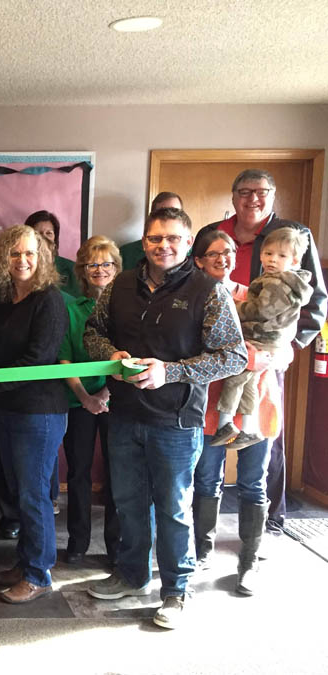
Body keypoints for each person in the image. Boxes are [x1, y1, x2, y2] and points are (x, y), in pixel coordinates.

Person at [83, 207, 247, 630]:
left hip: (176, 420)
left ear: (188, 243)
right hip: (123, 414)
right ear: (145, 241)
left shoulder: (208, 290)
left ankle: (176, 590)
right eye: (156, 238)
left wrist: (169, 371)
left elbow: (233, 356)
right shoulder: (120, 284)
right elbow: (92, 332)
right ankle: (133, 575)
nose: (163, 246)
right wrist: (111, 356)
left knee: (173, 508)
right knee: (129, 502)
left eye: (173, 238)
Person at [196, 169, 327, 534]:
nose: (253, 198)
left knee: (264, 445)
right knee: (210, 453)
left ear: (273, 194)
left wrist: (290, 347)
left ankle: (268, 525)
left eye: (261, 191)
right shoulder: (215, 233)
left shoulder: (294, 236)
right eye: (244, 191)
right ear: (233, 195)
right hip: (221, 359)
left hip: (269, 359)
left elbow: (316, 299)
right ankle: (203, 539)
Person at [0, 224, 68, 605]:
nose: (22, 260)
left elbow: (36, 361)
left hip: (38, 414)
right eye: (15, 253)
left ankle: (39, 574)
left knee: (35, 495)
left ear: (41, 259)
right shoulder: (6, 300)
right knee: (20, 493)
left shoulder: (49, 300)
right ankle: (25, 565)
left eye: (29, 254)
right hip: (8, 411)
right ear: (4, 258)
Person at [190, 228, 282, 595]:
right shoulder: (193, 299)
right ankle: (201, 550)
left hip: (257, 405)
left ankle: (248, 561)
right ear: (198, 260)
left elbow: (284, 343)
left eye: (228, 251)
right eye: (213, 253)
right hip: (210, 405)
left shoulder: (256, 296)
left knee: (252, 482)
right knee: (206, 479)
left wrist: (266, 355)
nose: (223, 258)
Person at [211, 228, 312, 451]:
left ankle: (228, 423)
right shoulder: (272, 281)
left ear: (294, 260)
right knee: (247, 382)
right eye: (268, 254)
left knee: (238, 378)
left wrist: (235, 309)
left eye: (281, 255)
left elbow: (263, 313)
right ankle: (246, 427)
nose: (272, 260)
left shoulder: (276, 283)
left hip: (263, 343)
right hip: (259, 343)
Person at [57, 235, 121, 566]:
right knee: (78, 473)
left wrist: (105, 394)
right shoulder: (70, 310)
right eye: (92, 264)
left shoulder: (127, 308)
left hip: (117, 400)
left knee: (117, 472)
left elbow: (128, 358)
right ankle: (78, 541)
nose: (99, 270)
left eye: (106, 263)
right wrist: (84, 397)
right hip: (77, 401)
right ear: (82, 270)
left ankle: (116, 544)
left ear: (116, 268)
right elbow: (64, 358)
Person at [120, 192, 184, 271]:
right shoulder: (126, 253)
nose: (168, 217)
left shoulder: (195, 253)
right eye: (162, 213)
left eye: (175, 212)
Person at [24, 210, 81, 297]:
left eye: (49, 233)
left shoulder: (72, 269)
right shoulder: (21, 267)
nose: (43, 237)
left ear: (55, 238)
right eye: (37, 233)